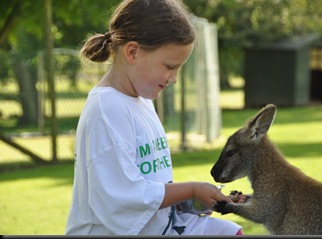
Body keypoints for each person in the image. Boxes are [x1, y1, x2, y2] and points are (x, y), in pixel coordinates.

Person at [65, 0, 243, 235]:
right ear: (133, 52)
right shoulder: (107, 108)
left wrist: (195, 201)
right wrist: (191, 189)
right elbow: (120, 199)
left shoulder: (143, 102)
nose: (173, 79)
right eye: (170, 66)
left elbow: (152, 191)